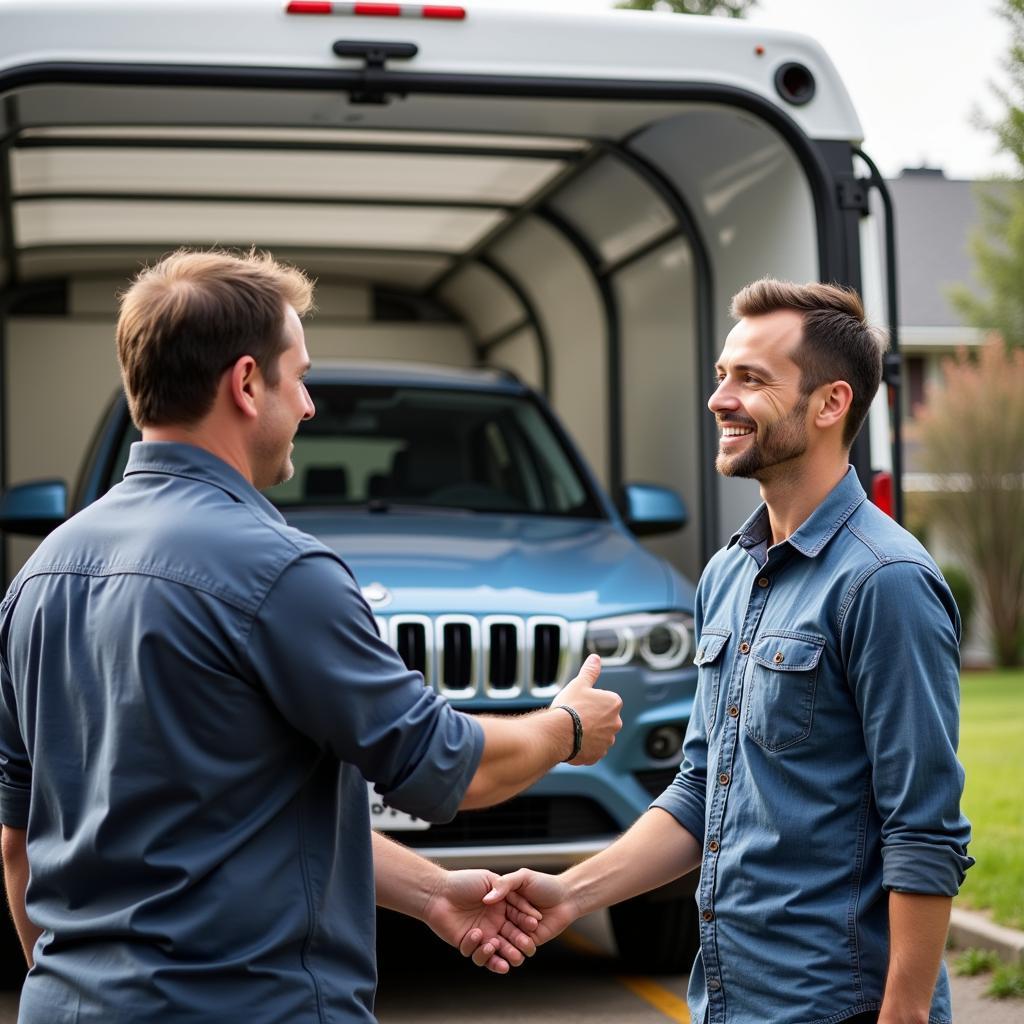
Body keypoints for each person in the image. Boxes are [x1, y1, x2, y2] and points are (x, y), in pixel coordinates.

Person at [0, 248, 622, 1024]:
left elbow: (22, 842)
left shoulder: (39, 577)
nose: (309, 406)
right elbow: (449, 771)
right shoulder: (279, 570)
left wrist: (432, 893)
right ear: (247, 382)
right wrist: (567, 729)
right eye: (299, 377)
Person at [487, 279, 974, 1024]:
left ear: (830, 403)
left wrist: (904, 1014)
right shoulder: (726, 575)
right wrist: (571, 894)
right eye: (722, 376)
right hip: (727, 1001)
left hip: (835, 1006)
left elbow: (923, 827)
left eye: (751, 379)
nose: (720, 399)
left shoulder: (886, 582)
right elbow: (698, 791)